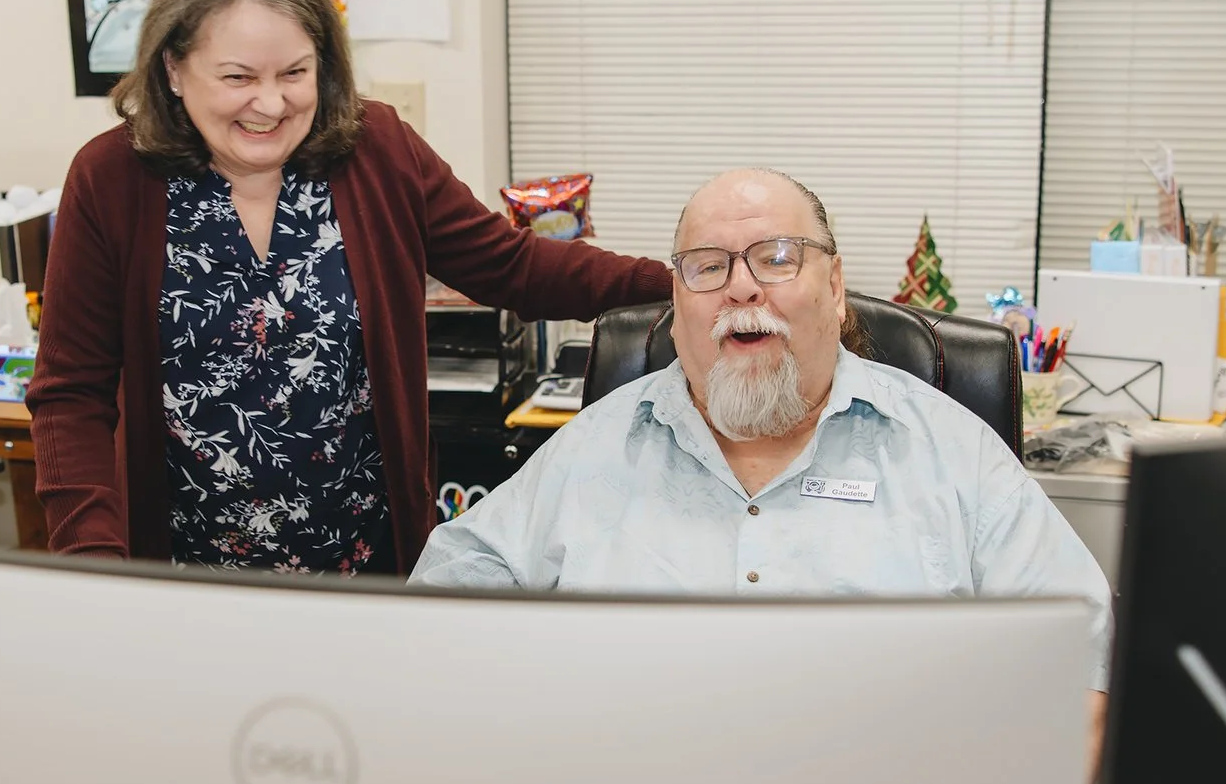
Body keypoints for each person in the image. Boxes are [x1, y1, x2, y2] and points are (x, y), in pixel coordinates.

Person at [29, 0, 670, 574]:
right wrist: (93, 563)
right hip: (184, 578)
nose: (272, 104)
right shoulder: (111, 179)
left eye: (294, 73)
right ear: (173, 68)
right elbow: (70, 396)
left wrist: (687, 281)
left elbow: (514, 268)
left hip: (368, 569)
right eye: (237, 77)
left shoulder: (378, 149)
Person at [411, 168, 1113, 727]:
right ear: (677, 306)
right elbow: (443, 603)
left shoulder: (953, 455)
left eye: (778, 258)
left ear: (835, 288)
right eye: (708, 266)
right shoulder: (593, 448)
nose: (742, 286)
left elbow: (1077, 658)